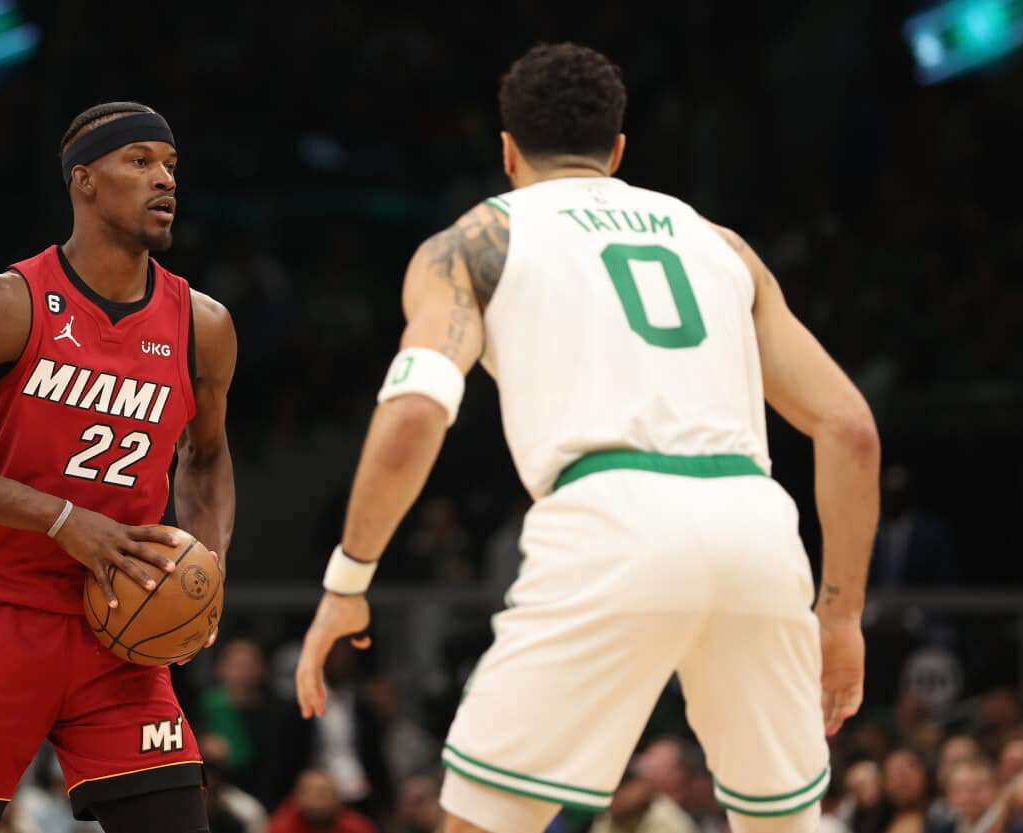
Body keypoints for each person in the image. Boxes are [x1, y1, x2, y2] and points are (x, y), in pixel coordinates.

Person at [294, 42, 879, 833]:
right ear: (618, 151)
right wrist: (840, 617)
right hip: (757, 527)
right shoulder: (721, 244)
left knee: (482, 822)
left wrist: (347, 579)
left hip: (610, 519)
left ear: (505, 151)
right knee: (782, 824)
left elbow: (413, 414)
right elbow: (849, 427)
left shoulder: (472, 242)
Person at [0, 101, 237, 833]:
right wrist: (64, 521)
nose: (163, 179)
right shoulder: (3, 304)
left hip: (120, 624)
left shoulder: (203, 324)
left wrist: (209, 566)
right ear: (85, 181)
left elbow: (207, 454)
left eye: (170, 165)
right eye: (139, 161)